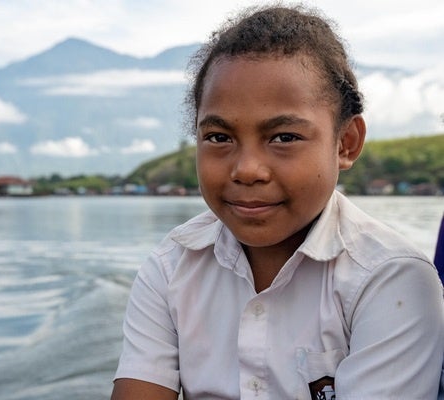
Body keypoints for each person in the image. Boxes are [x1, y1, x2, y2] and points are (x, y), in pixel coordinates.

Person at [111, 5, 444, 400]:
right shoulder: (170, 268)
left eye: (284, 137)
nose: (247, 170)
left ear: (346, 142)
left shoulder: (389, 279)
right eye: (219, 137)